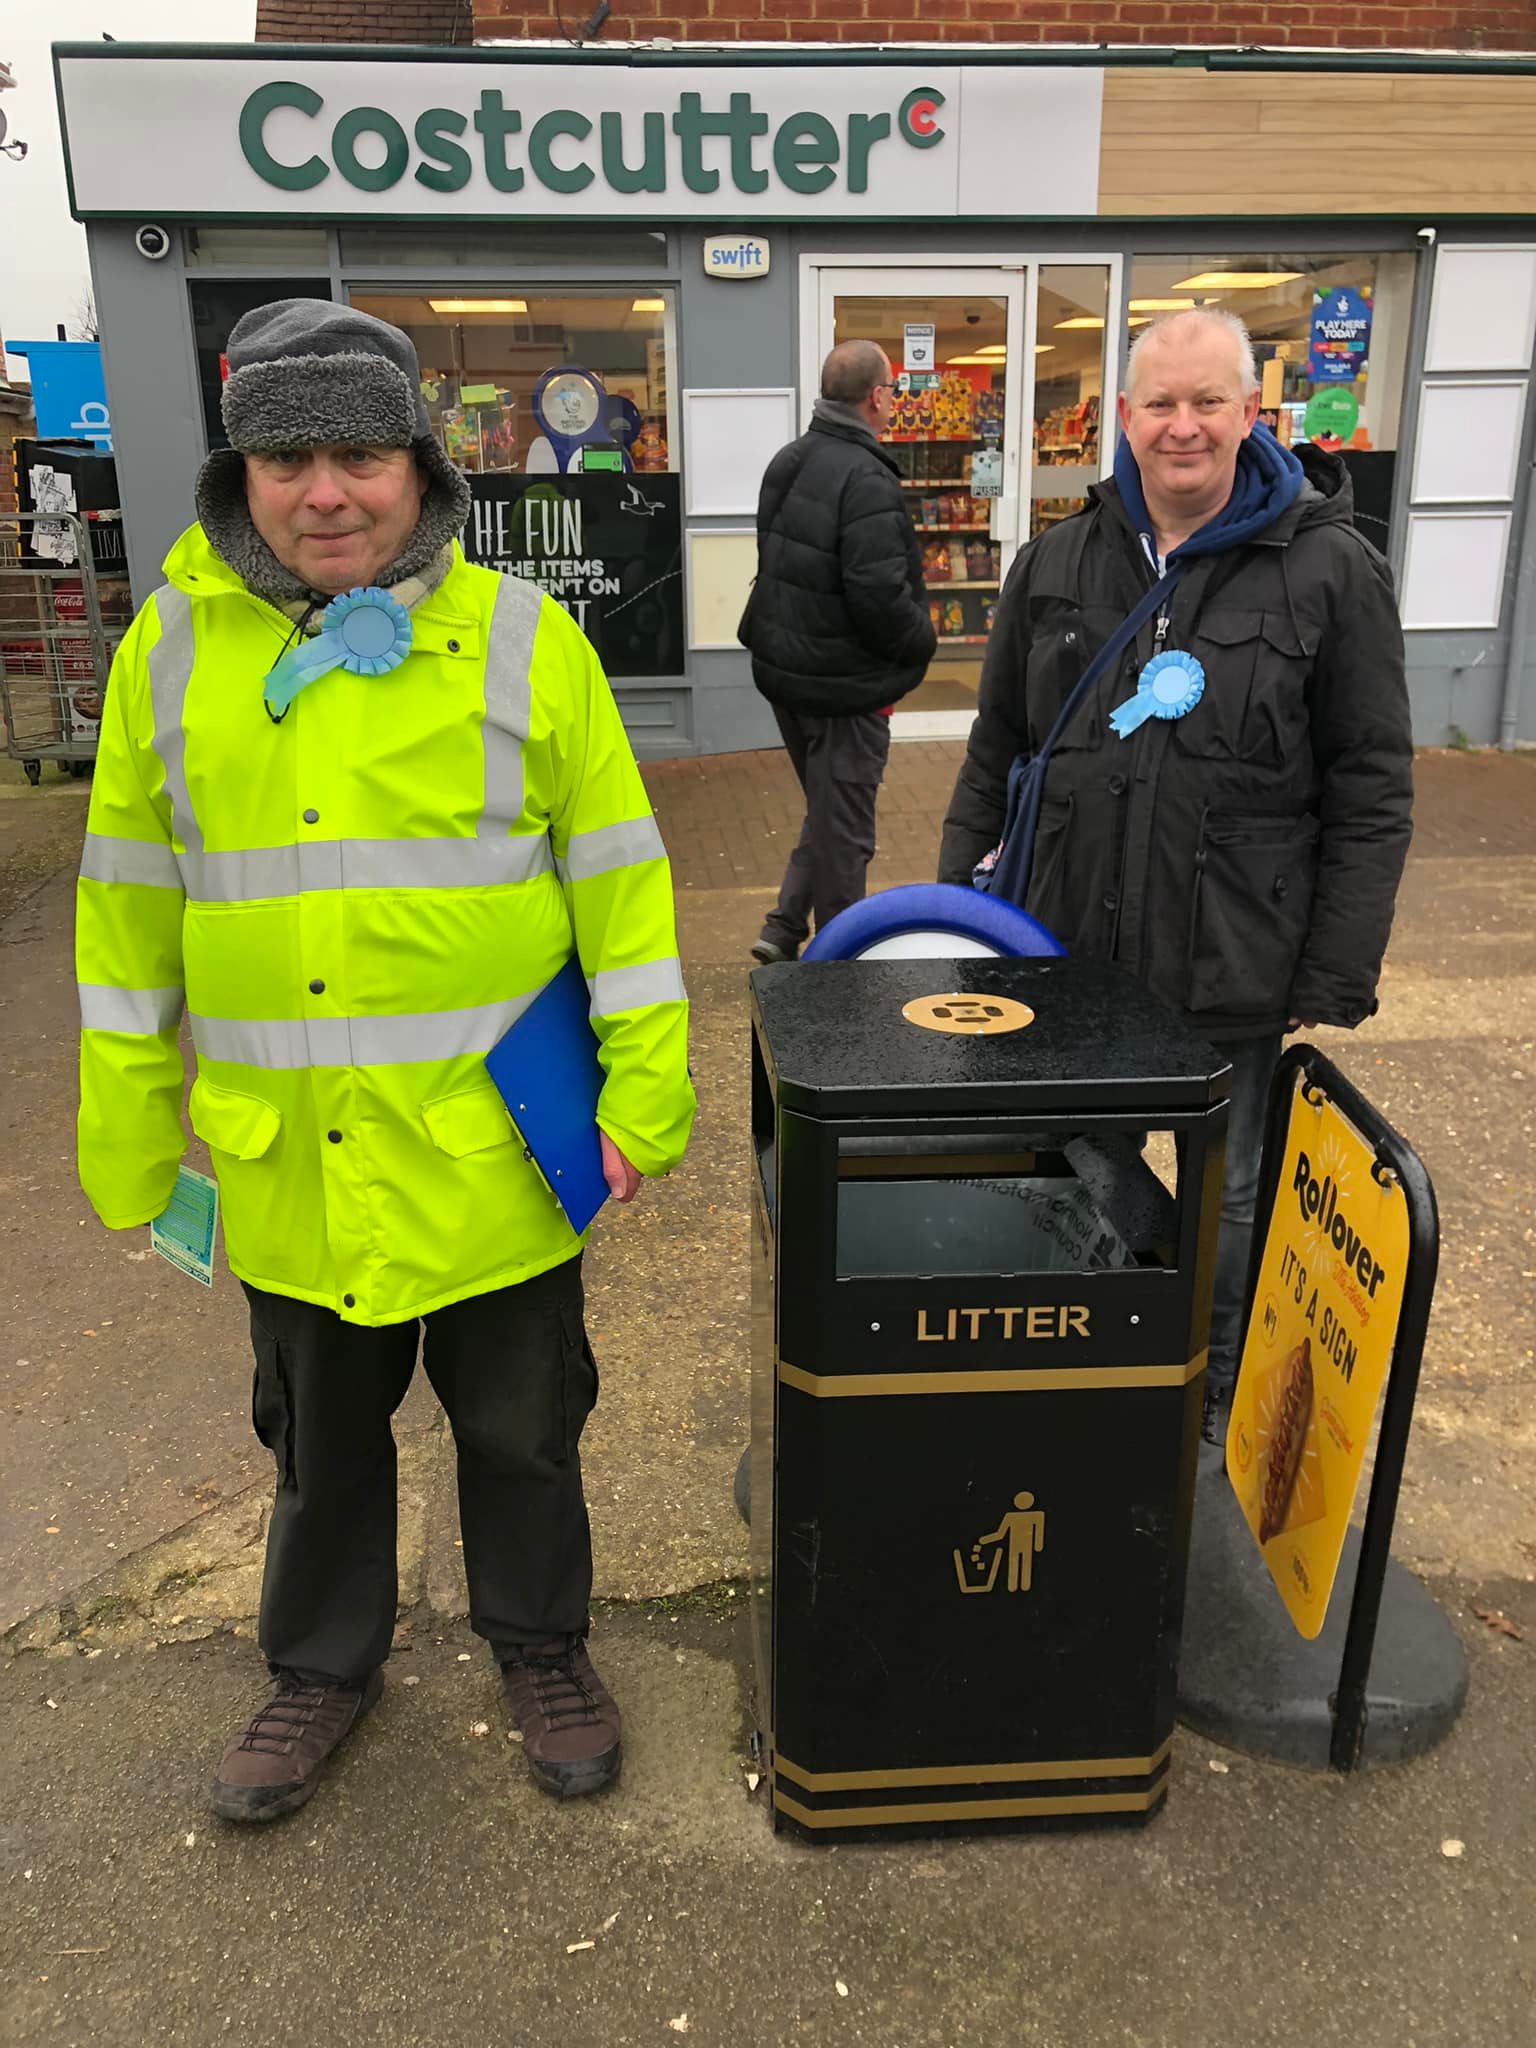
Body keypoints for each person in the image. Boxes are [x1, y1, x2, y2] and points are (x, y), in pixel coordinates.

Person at [75, 301, 695, 1820]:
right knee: (319, 1450)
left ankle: (543, 1647)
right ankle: (320, 1669)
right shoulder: (168, 652)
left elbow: (622, 886)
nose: (324, 492)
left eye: (357, 452)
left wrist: (645, 1089)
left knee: (525, 1433)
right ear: (244, 474)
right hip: (295, 1166)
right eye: (287, 458)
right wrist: (131, 1125)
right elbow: (126, 911)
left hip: (492, 1155)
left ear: (421, 467)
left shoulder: (527, 644)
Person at [938, 308, 1412, 1444]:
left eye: (1208, 402)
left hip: (1235, 945)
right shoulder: (1056, 561)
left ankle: (1208, 1383)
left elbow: (1372, 782)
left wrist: (1336, 962)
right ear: (1124, 418)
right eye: (1161, 403)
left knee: (1236, 1185)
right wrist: (961, 908)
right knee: (1073, 1146)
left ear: (1253, 413)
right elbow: (997, 747)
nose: (1183, 427)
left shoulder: (1330, 570)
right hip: (1069, 945)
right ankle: (1125, 1320)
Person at [740, 338, 936, 964]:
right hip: (846, 686)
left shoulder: (788, 459)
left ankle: (781, 927)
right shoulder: (867, 477)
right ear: (878, 396)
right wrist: (921, 644)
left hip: (787, 676)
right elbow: (879, 594)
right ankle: (839, 972)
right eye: (892, 390)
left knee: (828, 809)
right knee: (846, 835)